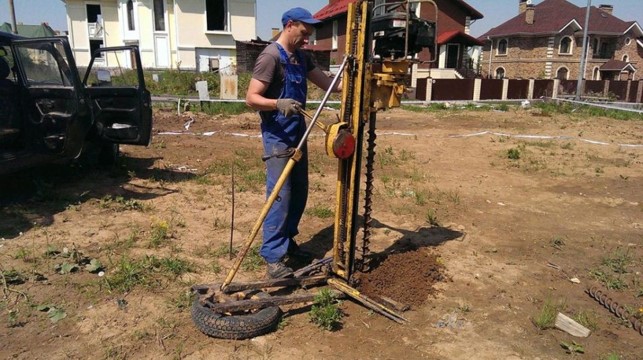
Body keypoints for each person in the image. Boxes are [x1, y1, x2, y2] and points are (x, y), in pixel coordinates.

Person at [246, 7, 340, 279]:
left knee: (299, 191)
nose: (306, 37)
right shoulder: (270, 57)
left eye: (309, 33)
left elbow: (330, 86)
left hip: (299, 133)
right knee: (280, 195)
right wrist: (277, 103)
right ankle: (274, 257)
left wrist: (357, 76)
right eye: (303, 32)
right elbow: (251, 98)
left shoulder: (301, 57)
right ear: (289, 25)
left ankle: (288, 243)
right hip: (278, 136)